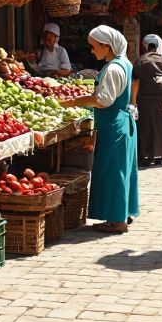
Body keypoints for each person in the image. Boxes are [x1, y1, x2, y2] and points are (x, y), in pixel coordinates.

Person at [59, 26, 139, 233]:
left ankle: (117, 221)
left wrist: (74, 102)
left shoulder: (113, 68)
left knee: (113, 172)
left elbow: (102, 100)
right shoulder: (125, 63)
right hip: (121, 123)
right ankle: (123, 214)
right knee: (122, 170)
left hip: (114, 126)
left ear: (107, 46)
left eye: (94, 47)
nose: (92, 51)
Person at [132, 34, 162, 166]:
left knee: (145, 128)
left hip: (144, 100)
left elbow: (135, 82)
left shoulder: (140, 61)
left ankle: (145, 155)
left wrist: (132, 102)